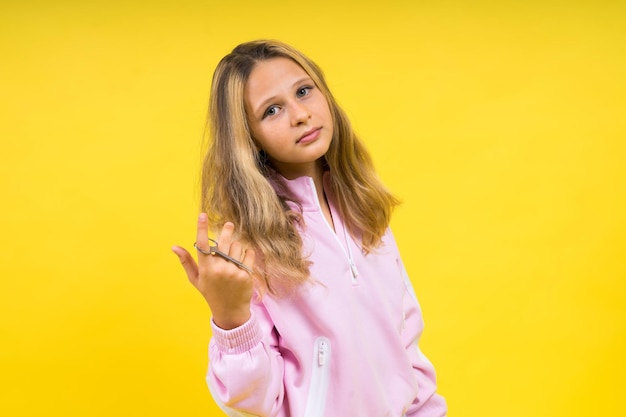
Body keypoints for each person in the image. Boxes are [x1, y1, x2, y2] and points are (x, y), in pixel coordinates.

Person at [172, 40, 447, 417]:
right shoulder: (251, 247)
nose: (300, 114)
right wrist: (231, 318)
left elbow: (407, 350)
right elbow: (252, 405)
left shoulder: (365, 213)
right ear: (249, 139)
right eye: (272, 110)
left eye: (304, 91)